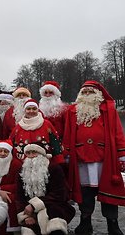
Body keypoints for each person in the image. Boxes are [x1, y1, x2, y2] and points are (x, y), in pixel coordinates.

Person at [63, 80, 125, 235]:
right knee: (85, 193)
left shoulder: (108, 110)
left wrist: (122, 154)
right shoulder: (72, 111)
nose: (86, 95)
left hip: (105, 159)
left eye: (90, 92)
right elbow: (68, 133)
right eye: (84, 92)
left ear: (97, 94)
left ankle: (113, 224)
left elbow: (118, 132)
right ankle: (85, 223)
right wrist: (67, 153)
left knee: (108, 190)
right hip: (81, 159)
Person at [16, 143, 75, 235]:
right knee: (28, 231)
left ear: (42, 154)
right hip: (30, 212)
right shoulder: (22, 171)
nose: (31, 156)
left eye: (34, 152)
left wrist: (34, 205)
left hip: (54, 207)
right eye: (28, 153)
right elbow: (19, 197)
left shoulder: (54, 168)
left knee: (55, 226)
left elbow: (59, 194)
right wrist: (26, 216)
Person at [9, 99, 64, 164]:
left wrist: (58, 160)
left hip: (45, 164)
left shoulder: (46, 124)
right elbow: (11, 144)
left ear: (38, 110)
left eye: (34, 109)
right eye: (28, 109)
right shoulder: (18, 127)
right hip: (23, 165)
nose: (31, 111)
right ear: (24, 111)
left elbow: (55, 143)